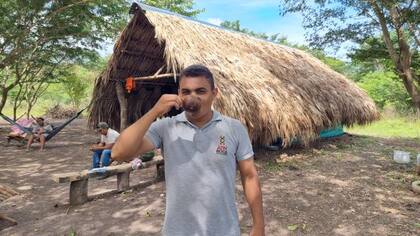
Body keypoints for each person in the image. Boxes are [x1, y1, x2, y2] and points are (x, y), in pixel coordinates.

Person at [112, 64, 265, 236]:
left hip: (225, 230)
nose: (192, 97)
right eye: (186, 92)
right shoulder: (166, 127)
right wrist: (154, 111)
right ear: (179, 94)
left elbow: (250, 176)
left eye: (200, 91)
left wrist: (259, 226)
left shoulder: (233, 128)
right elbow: (119, 152)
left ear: (214, 93)